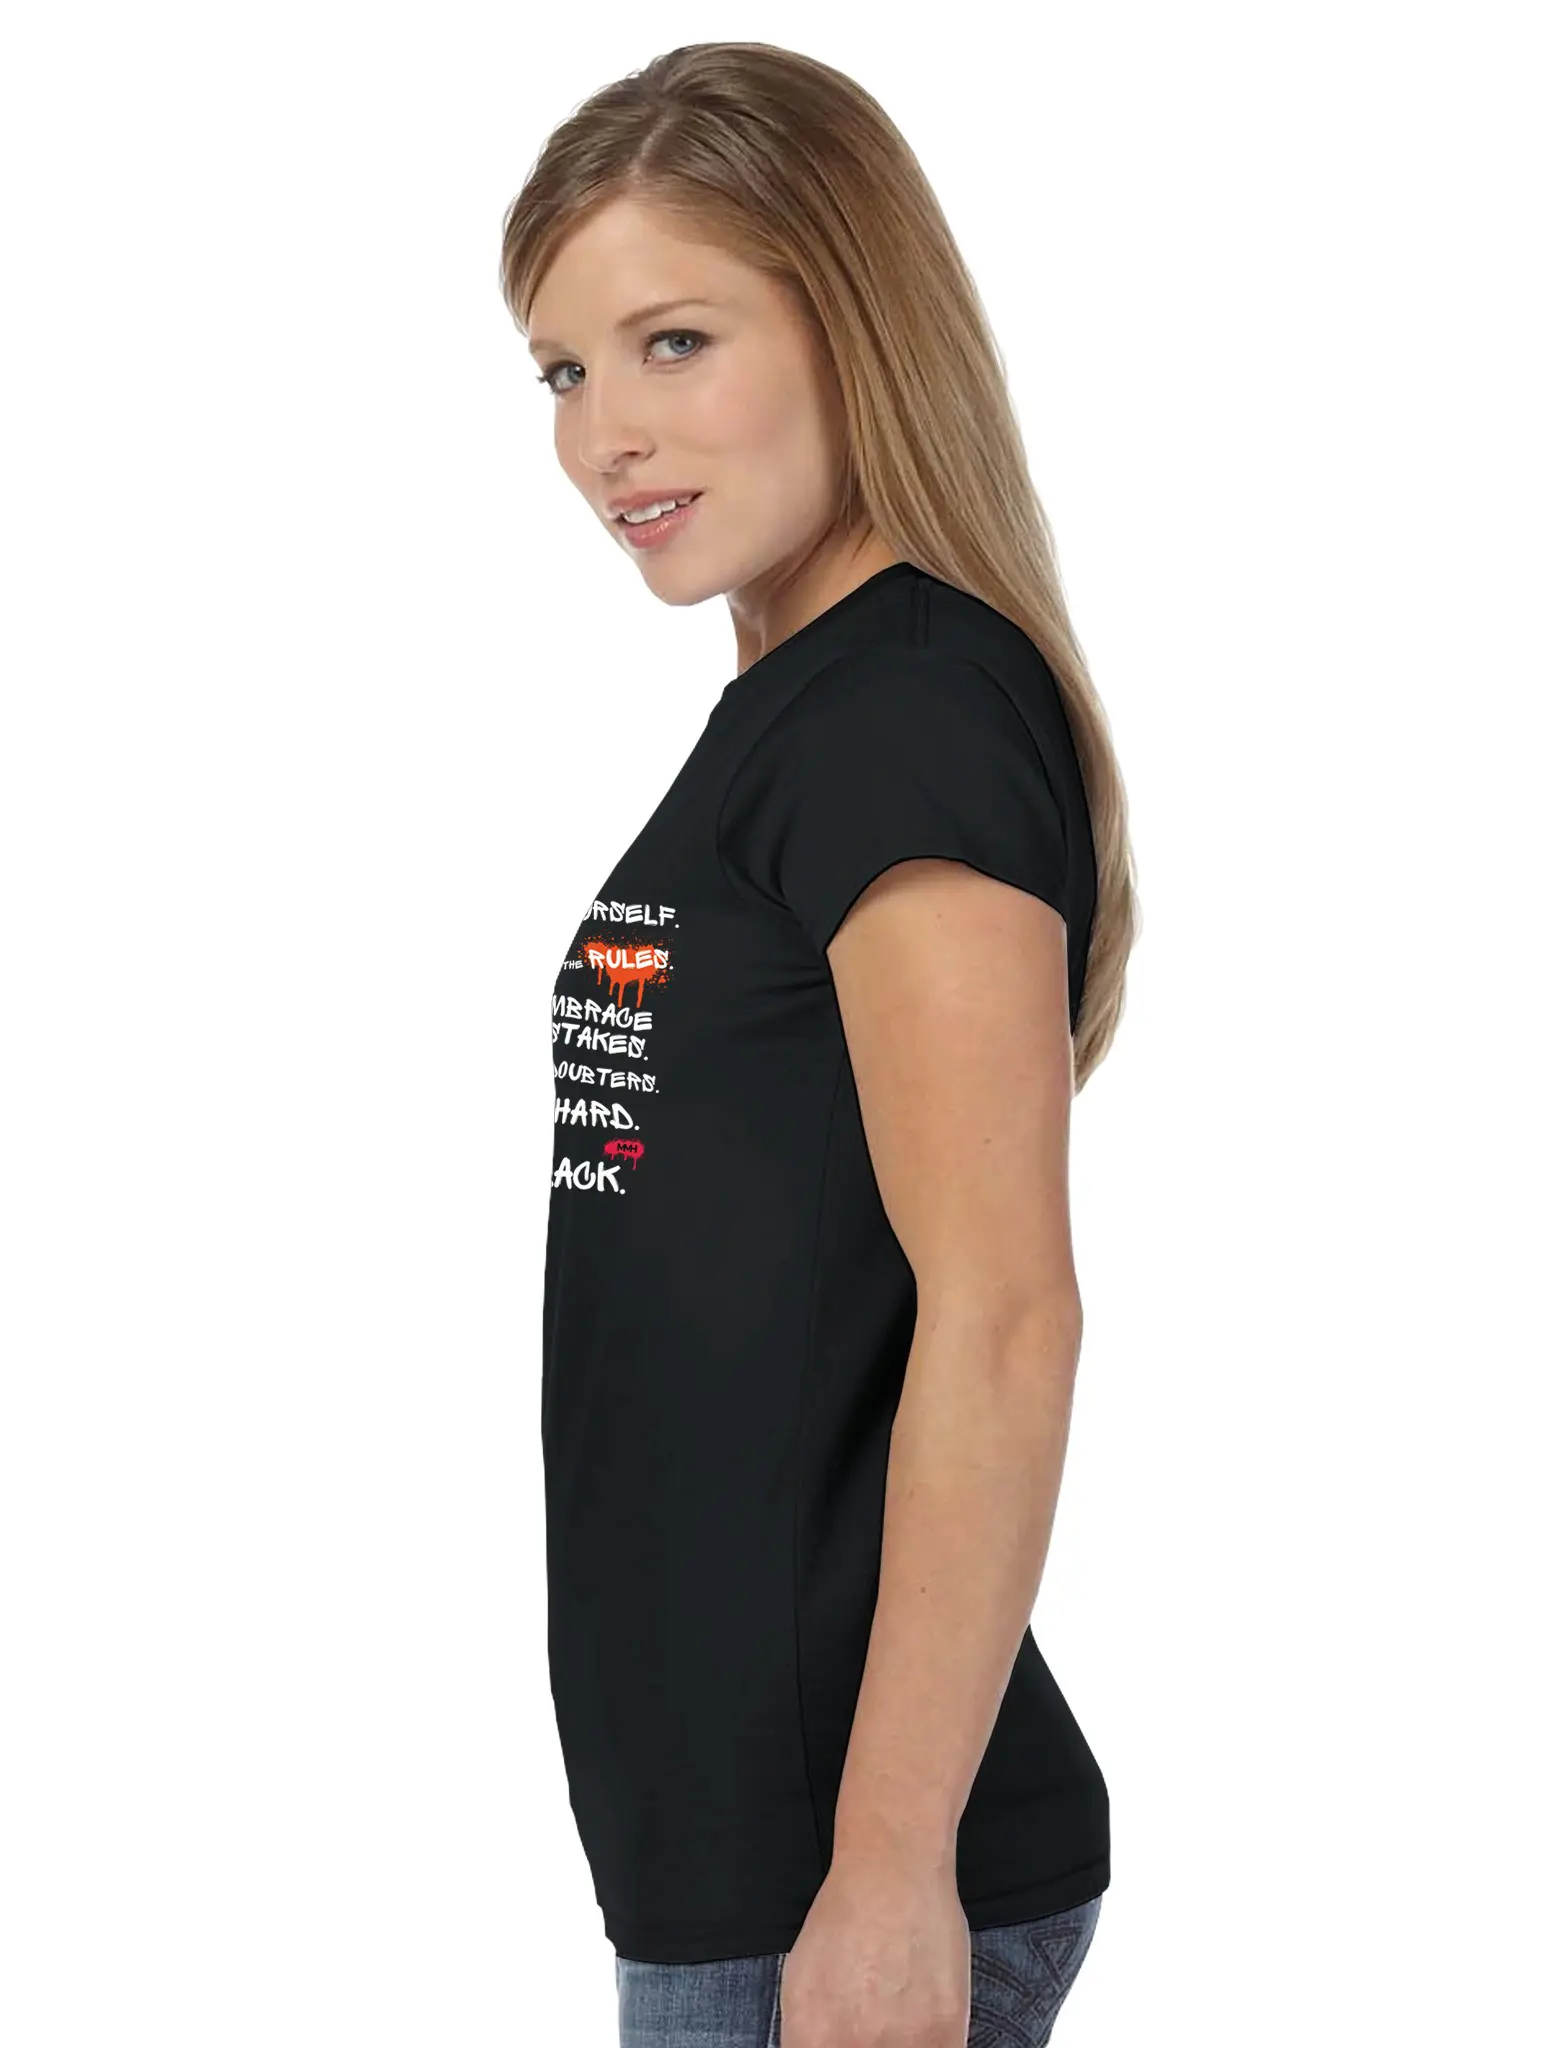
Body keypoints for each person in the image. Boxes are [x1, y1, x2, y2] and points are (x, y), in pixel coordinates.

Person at [505, 41, 1140, 2048]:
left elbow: (1007, 1313)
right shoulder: (806, 718)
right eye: (563, 370)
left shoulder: (906, 718)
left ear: (853, 319)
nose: (606, 434)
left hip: (823, 1885)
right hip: (731, 1858)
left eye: (674, 341)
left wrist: (887, 1870)